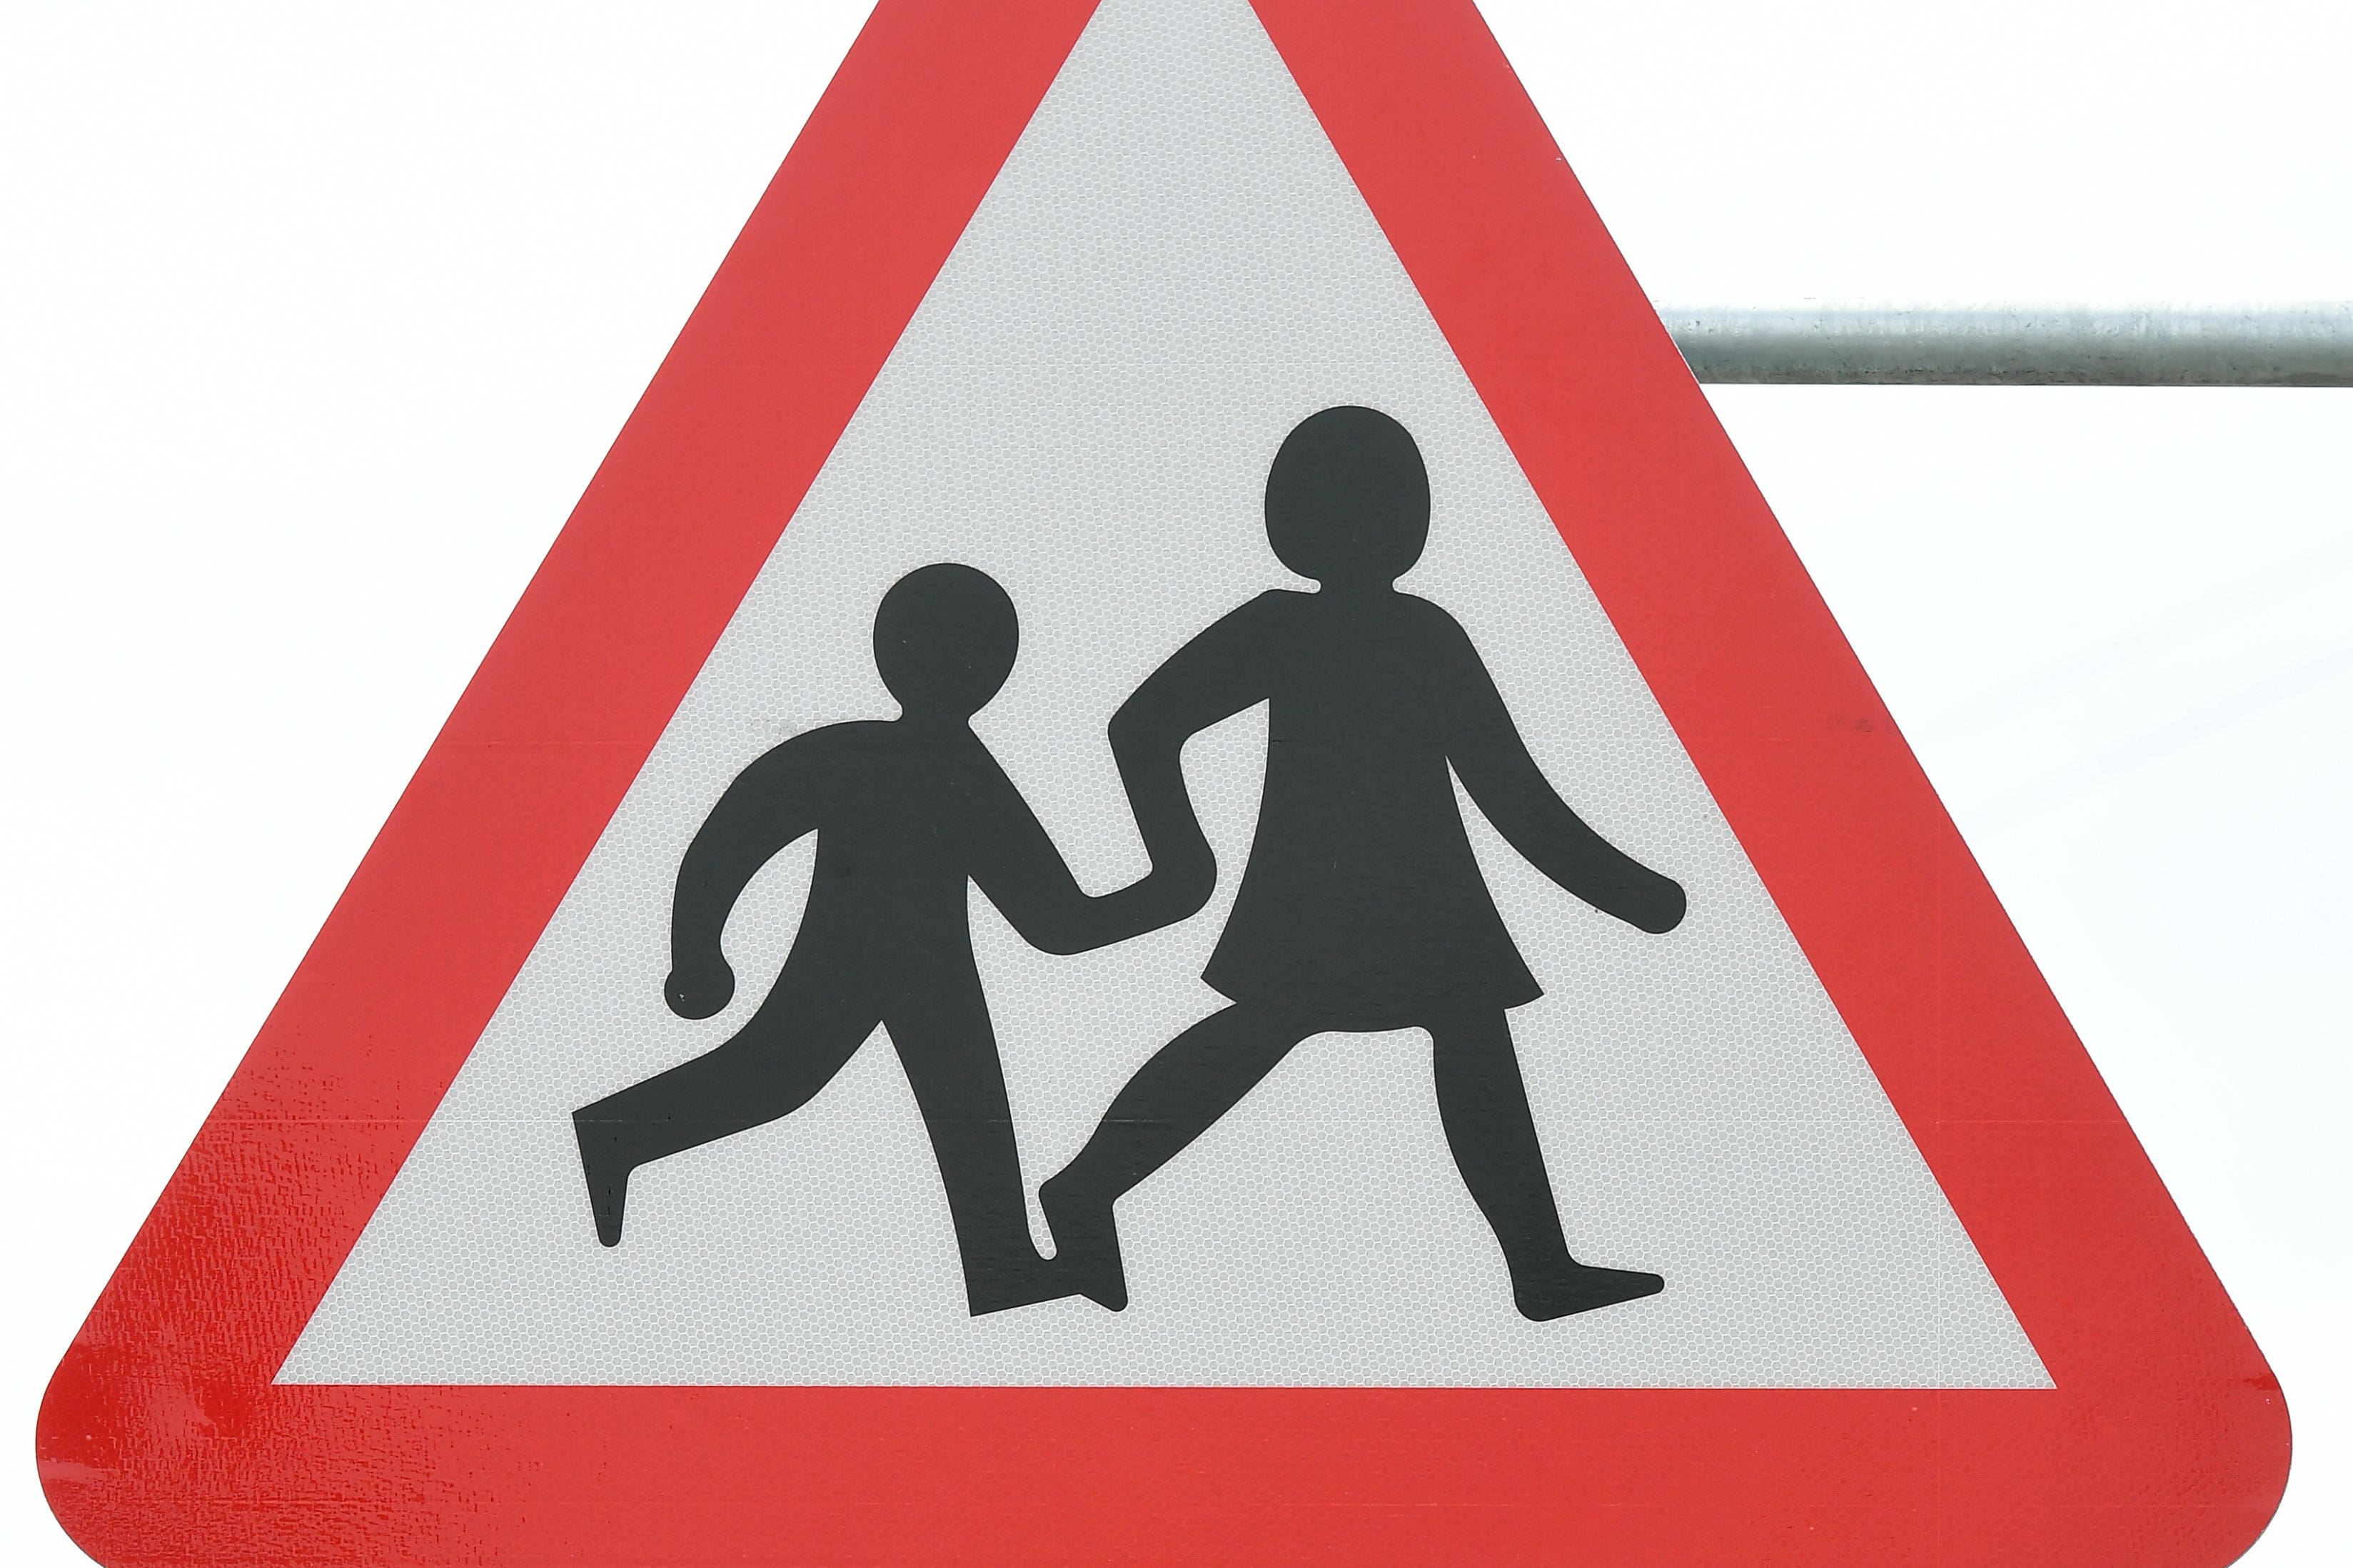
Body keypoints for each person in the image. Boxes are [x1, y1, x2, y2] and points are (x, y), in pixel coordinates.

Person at [1039, 405, 1688, 1322]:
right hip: (1353, 895)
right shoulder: (1350, 631)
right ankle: (1084, 1188)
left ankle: (1539, 1266)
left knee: (1429, 1034)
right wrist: (1181, 856)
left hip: (1402, 896)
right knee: (1326, 1032)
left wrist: (1624, 889)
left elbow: (1509, 788)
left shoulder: (1405, 634)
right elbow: (1141, 726)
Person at [573, 562, 1201, 1316]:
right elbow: (742, 828)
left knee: (956, 1104)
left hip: (925, 972)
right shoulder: (935, 768)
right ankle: (615, 1131)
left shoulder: (896, 759)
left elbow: (1051, 920)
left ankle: (1001, 1266)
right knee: (787, 1079)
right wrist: (1172, 890)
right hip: (861, 966)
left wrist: (699, 946)